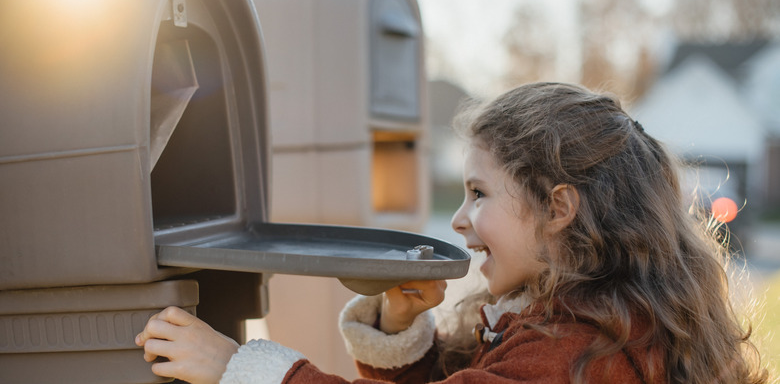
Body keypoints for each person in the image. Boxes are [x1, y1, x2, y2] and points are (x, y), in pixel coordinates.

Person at [136, 82, 768, 384]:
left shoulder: (574, 355)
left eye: (479, 194)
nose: (460, 220)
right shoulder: (581, 322)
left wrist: (238, 368)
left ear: (558, 209)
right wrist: (401, 335)